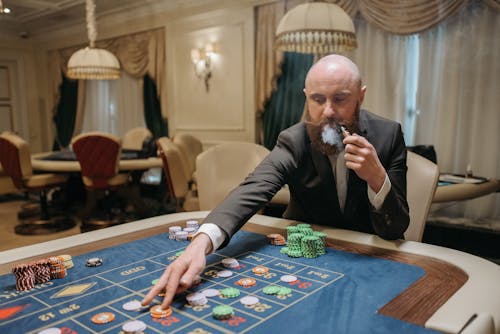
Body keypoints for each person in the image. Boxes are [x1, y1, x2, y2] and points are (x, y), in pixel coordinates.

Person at [142, 54, 409, 309]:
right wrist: (201, 243)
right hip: (302, 262)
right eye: (317, 99)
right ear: (306, 98)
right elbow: (252, 189)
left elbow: (396, 227)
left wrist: (377, 178)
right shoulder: (294, 140)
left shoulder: (388, 135)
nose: (328, 111)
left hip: (367, 261)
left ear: (360, 96)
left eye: (340, 99)